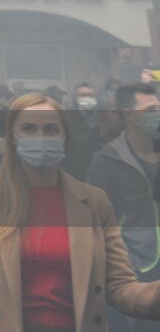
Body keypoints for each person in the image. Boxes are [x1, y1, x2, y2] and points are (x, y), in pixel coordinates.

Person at [0, 93, 160, 331]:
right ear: (13, 138)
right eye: (29, 129)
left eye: (51, 129)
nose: (40, 137)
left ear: (64, 138)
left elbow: (120, 286)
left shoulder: (93, 201)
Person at [87, 83, 160, 331]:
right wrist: (123, 260)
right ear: (129, 114)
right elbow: (94, 220)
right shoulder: (107, 161)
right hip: (136, 271)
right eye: (151, 109)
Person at [66, 81, 106, 180]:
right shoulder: (67, 117)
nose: (87, 98)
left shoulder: (104, 115)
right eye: (83, 95)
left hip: (101, 168)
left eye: (90, 95)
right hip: (77, 168)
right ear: (76, 98)